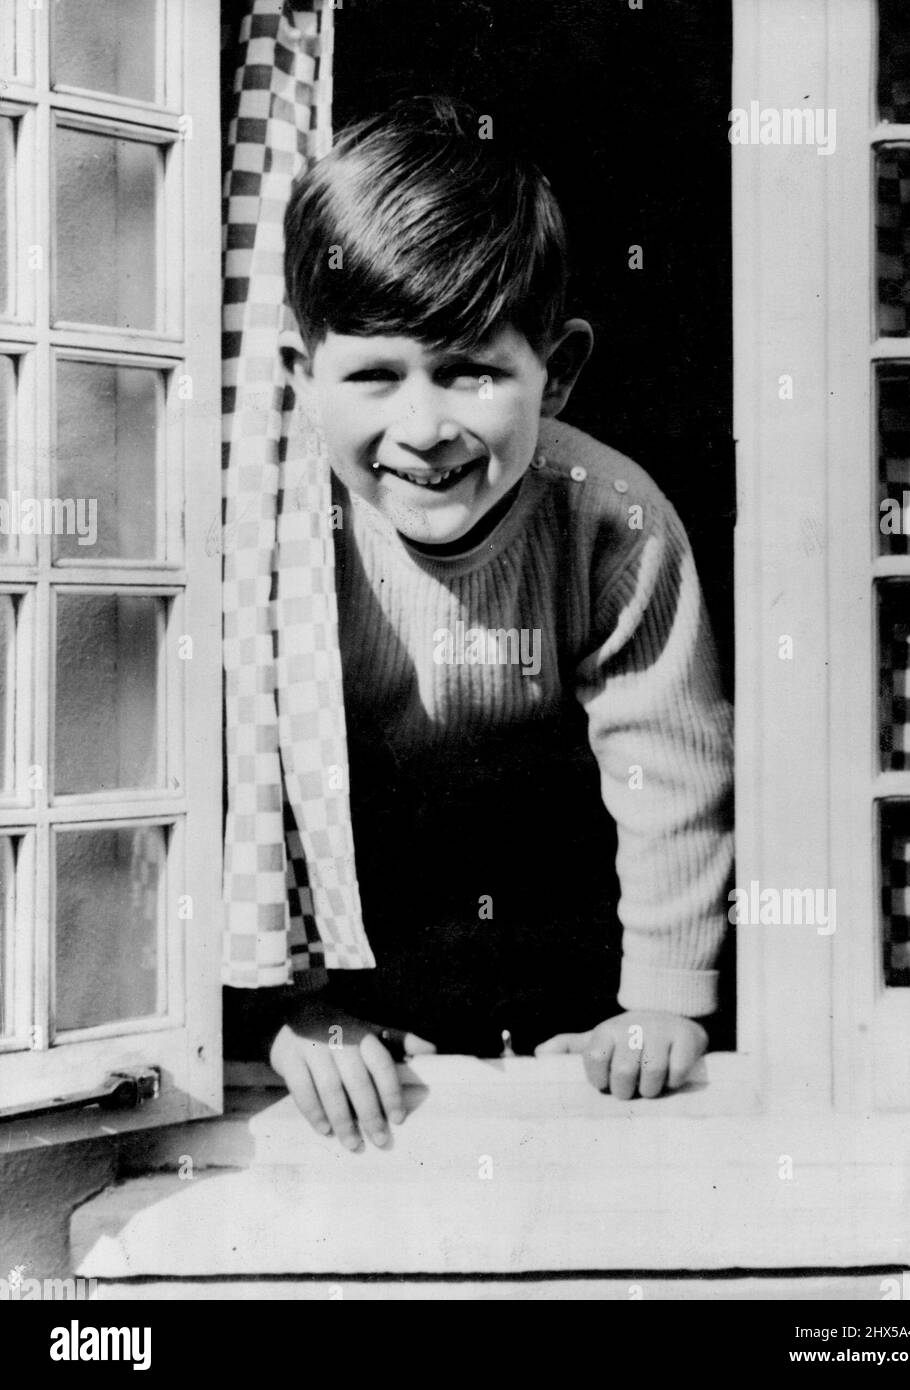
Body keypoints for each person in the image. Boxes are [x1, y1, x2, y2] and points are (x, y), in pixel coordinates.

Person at [242, 95, 733, 1150]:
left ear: (554, 372)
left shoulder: (614, 521)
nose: (422, 429)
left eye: (469, 370)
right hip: (353, 919)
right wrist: (276, 1007)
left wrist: (663, 998)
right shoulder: (264, 536)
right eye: (373, 375)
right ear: (299, 376)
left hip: (558, 903)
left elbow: (669, 767)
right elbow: (221, 784)